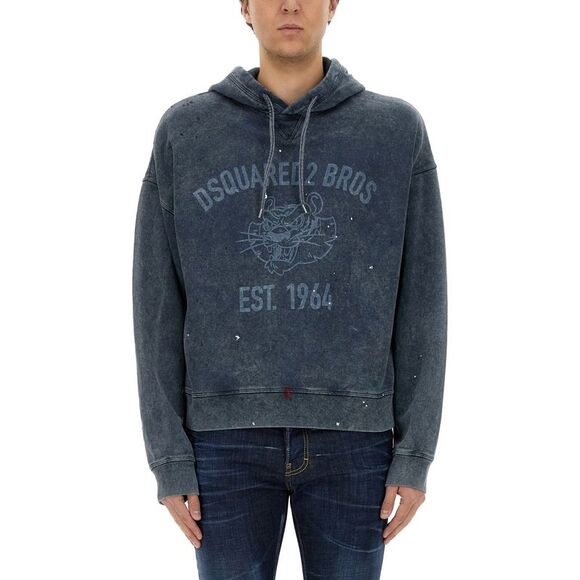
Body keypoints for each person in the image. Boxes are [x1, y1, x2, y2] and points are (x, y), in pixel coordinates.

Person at [132, 0, 448, 577]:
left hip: (356, 441)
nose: (289, 4)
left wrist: (415, 452)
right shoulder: (187, 131)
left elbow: (423, 299)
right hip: (222, 442)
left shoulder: (394, 131)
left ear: (333, 5)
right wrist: (168, 456)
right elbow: (156, 302)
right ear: (244, 7)